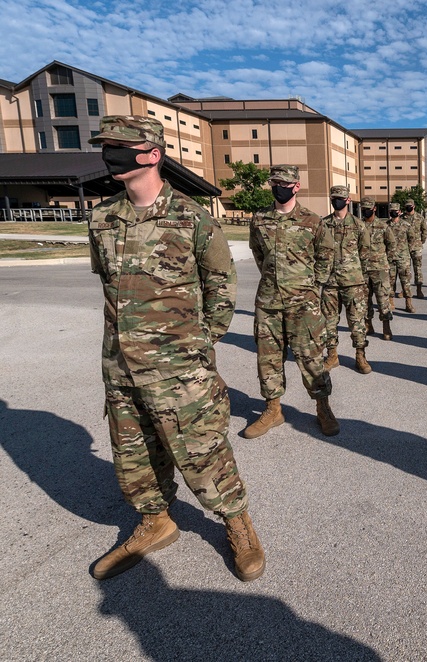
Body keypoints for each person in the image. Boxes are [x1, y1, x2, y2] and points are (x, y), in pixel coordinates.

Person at [86, 115, 264, 582]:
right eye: (106, 146)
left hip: (180, 367)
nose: (110, 155)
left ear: (152, 154)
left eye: (119, 147)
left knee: (202, 449)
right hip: (121, 365)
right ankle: (155, 521)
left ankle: (237, 523)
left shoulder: (191, 217)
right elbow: (109, 285)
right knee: (133, 454)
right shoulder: (103, 218)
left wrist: (202, 341)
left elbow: (222, 283)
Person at [245, 165, 338, 439]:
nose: (279, 187)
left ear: (296, 186)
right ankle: (273, 409)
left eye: (284, 183)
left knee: (311, 359)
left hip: (303, 304)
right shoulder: (259, 219)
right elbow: (259, 254)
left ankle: (323, 408)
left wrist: (313, 285)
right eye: (274, 182)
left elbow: (326, 255)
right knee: (268, 359)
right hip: (268, 302)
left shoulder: (312, 220)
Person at [321, 185, 374, 374]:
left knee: (357, 321)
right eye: (333, 197)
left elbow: (365, 254)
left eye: (340, 198)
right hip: (330, 283)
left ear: (348, 200)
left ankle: (360, 356)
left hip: (353, 283)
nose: (336, 201)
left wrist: (360, 278)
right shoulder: (323, 224)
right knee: (328, 321)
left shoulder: (359, 226)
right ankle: (332, 355)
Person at [359, 196, 396, 341]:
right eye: (363, 209)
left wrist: (386, 260)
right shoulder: (358, 225)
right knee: (365, 299)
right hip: (363, 269)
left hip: (380, 269)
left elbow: (392, 244)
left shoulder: (383, 226)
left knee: (383, 298)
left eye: (368, 209)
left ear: (374, 208)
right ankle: (368, 324)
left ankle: (386, 326)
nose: (366, 211)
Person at [387, 202, 416, 312]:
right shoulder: (386, 226)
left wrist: (407, 252)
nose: (393, 213)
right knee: (390, 282)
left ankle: (408, 304)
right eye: (391, 211)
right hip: (390, 259)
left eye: (395, 211)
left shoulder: (406, 225)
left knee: (406, 282)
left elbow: (412, 239)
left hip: (403, 258)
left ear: (399, 212)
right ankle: (391, 302)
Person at [402, 198, 427, 298]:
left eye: (410, 206)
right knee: (405, 270)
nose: (408, 208)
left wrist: (421, 241)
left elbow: (424, 230)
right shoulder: (402, 218)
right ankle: (405, 290)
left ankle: (419, 289)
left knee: (417, 269)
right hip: (405, 247)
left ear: (414, 206)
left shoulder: (420, 218)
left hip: (417, 247)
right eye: (407, 206)